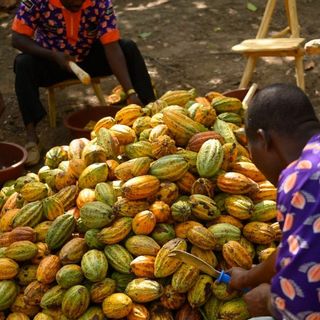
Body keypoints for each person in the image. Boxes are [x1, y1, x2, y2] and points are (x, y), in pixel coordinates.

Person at [11, 0, 156, 166]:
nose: (77, 5)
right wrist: (53, 55)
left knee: (128, 47)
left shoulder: (100, 3)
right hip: (51, 61)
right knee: (23, 63)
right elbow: (17, 39)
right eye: (71, 2)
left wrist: (130, 92)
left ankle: (150, 110)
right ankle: (32, 139)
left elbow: (111, 46)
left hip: (87, 58)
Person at [229, 83, 320, 319]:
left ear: (263, 140)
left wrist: (270, 302)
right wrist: (248, 278)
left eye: (252, 152)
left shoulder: (300, 177)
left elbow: (301, 306)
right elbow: (300, 244)